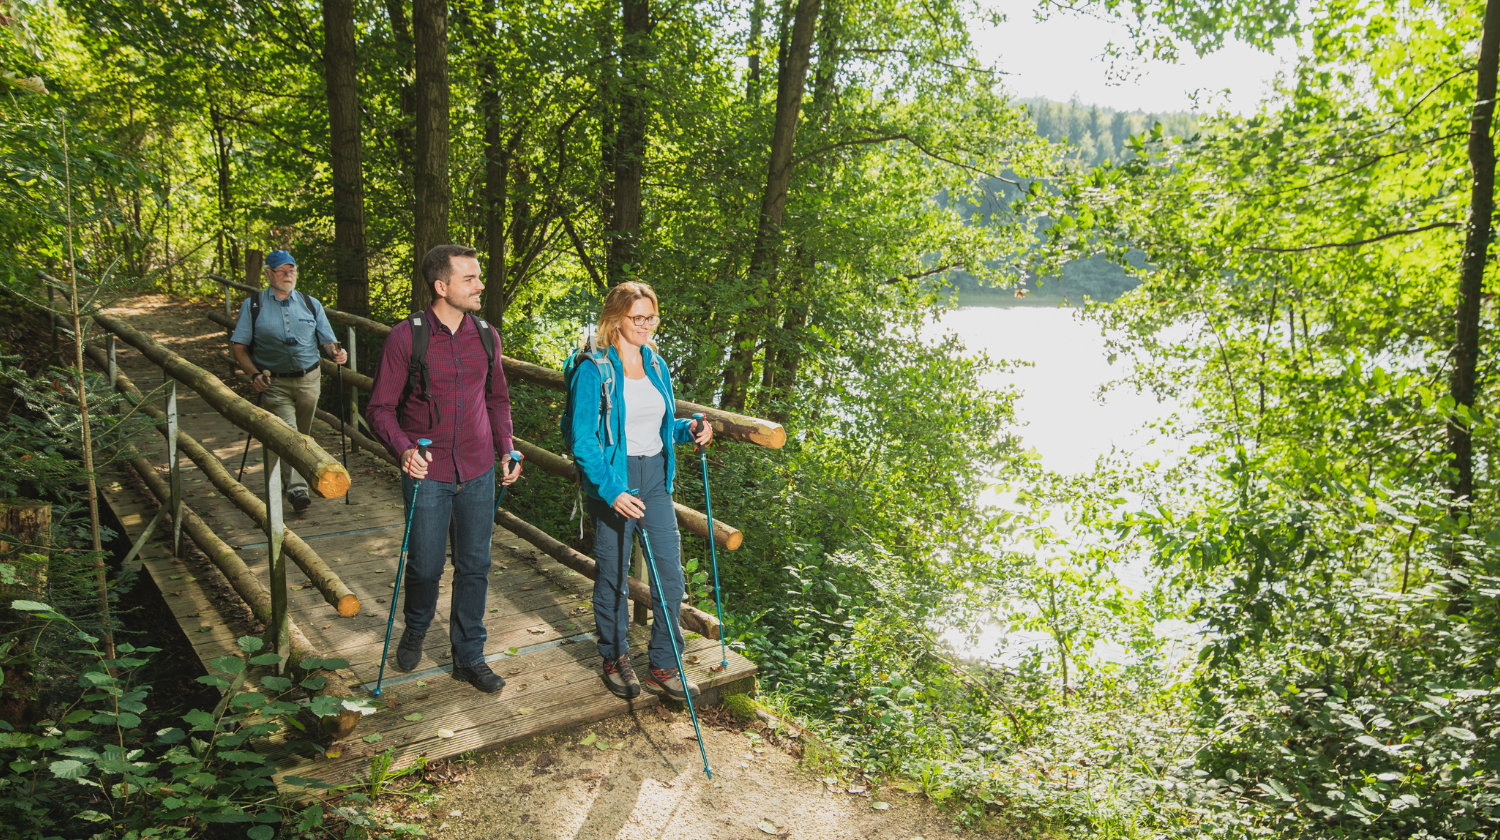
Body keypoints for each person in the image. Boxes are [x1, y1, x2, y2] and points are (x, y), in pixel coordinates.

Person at [366, 244, 522, 693]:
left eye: (478, 276)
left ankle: (468, 655)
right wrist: (402, 450)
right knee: (426, 566)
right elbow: (379, 408)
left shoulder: (487, 335)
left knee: (475, 565)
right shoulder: (406, 337)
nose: (480, 285)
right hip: (427, 473)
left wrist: (506, 448)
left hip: (476, 468)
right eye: (470, 278)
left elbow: (497, 399)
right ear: (442, 286)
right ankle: (416, 626)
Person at [568, 281, 712, 702]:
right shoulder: (594, 369)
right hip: (615, 479)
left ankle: (664, 665)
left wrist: (689, 430)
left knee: (670, 576)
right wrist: (611, 490)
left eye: (651, 317)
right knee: (613, 577)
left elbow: (662, 425)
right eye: (638, 318)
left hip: (655, 478)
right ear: (615, 319)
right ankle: (614, 658)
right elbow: (584, 441)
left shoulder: (656, 364)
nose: (646, 325)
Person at [231, 250, 348, 513]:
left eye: (291, 270)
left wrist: (336, 353)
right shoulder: (254, 305)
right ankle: (297, 489)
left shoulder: (310, 303)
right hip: (275, 383)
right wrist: (253, 374)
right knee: (290, 434)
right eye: (281, 270)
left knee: (302, 434)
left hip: (309, 379)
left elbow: (327, 340)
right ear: (268, 273)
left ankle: (298, 476)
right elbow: (239, 347)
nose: (287, 275)